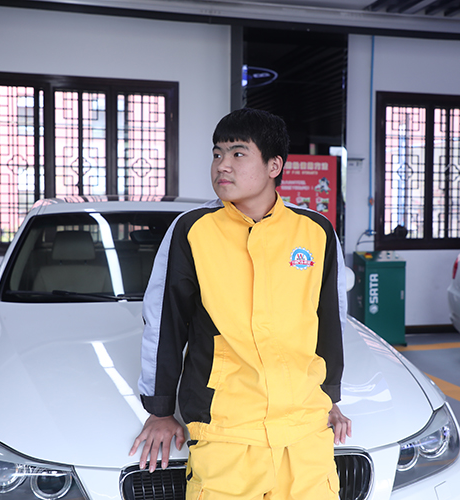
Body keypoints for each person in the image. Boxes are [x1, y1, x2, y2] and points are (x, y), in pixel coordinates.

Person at [129, 107, 352, 500]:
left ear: (274, 166)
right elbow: (166, 323)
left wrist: (329, 397)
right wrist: (160, 410)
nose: (222, 166)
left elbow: (330, 322)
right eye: (217, 154)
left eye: (237, 153)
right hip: (226, 432)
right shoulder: (193, 231)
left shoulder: (315, 231)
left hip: (305, 433)